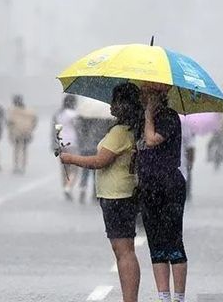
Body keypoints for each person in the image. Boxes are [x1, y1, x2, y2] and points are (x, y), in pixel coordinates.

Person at [60, 83, 144, 302]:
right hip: (122, 193)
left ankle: (130, 299)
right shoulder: (132, 129)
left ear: (124, 105)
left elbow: (100, 161)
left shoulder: (119, 132)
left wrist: (71, 159)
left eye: (115, 101)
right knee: (124, 250)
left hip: (117, 195)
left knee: (124, 251)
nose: (111, 106)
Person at [135, 83, 187, 302]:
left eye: (147, 94)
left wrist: (148, 116)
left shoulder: (168, 117)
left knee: (173, 241)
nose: (143, 97)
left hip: (169, 185)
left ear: (158, 96)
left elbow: (152, 140)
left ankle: (179, 297)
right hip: (148, 186)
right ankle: (163, 296)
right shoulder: (140, 120)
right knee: (155, 243)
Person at [51, 95, 80, 200]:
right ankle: (68, 187)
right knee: (75, 169)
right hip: (72, 143)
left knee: (64, 168)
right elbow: (78, 129)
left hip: (61, 143)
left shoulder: (59, 114)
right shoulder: (74, 115)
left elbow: (56, 130)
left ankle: (64, 187)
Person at [7, 95, 38, 174]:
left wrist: (10, 133)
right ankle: (22, 166)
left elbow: (10, 123)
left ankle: (17, 166)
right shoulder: (29, 110)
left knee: (17, 149)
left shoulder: (13, 111)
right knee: (23, 149)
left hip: (17, 132)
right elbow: (35, 120)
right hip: (25, 132)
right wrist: (31, 129)